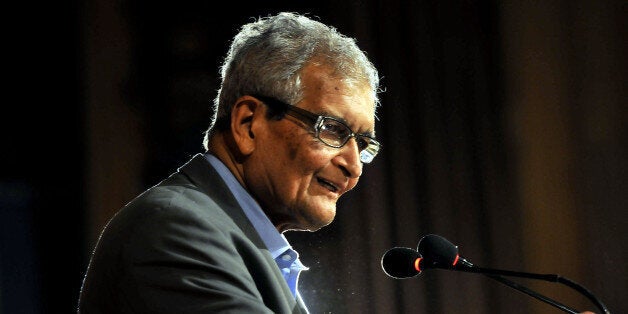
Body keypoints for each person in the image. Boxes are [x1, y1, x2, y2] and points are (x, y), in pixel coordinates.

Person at [78, 12, 381, 313]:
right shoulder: (174, 228)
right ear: (248, 124)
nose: (353, 166)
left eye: (363, 143)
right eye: (332, 129)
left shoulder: (242, 242)